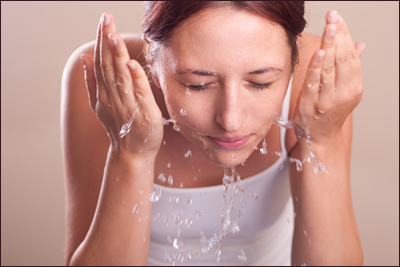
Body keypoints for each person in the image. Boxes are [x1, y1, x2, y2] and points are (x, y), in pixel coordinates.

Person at [61, 1, 364, 265]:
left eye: (260, 82)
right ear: (152, 58)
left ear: (293, 60)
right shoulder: (109, 81)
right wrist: (131, 154)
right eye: (198, 84)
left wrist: (323, 141)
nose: (230, 119)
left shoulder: (315, 79)